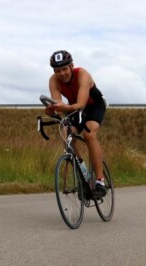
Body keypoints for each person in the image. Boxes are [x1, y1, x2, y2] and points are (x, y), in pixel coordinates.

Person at [44, 50, 107, 199]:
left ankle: (100, 182)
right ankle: (84, 172)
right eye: (58, 70)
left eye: (64, 68)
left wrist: (61, 107)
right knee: (66, 133)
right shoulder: (53, 80)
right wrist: (51, 111)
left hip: (93, 107)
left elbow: (80, 105)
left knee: (89, 133)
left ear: (72, 66)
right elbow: (59, 107)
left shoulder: (82, 75)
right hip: (74, 108)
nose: (62, 73)